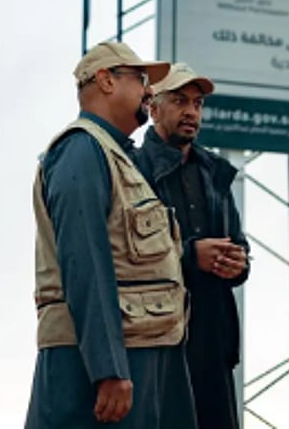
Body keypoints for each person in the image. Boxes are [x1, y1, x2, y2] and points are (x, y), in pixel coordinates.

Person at [25, 42, 198, 429]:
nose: (149, 91)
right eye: (140, 79)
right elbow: (85, 264)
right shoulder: (81, 150)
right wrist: (109, 369)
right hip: (101, 366)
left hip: (139, 355)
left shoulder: (118, 156)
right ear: (105, 81)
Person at [133, 63, 249, 429]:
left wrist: (239, 264)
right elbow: (124, 253)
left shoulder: (216, 173)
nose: (191, 112)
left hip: (214, 341)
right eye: (180, 101)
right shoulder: (133, 169)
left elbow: (238, 244)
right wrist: (189, 256)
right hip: (159, 342)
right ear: (153, 108)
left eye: (197, 104)